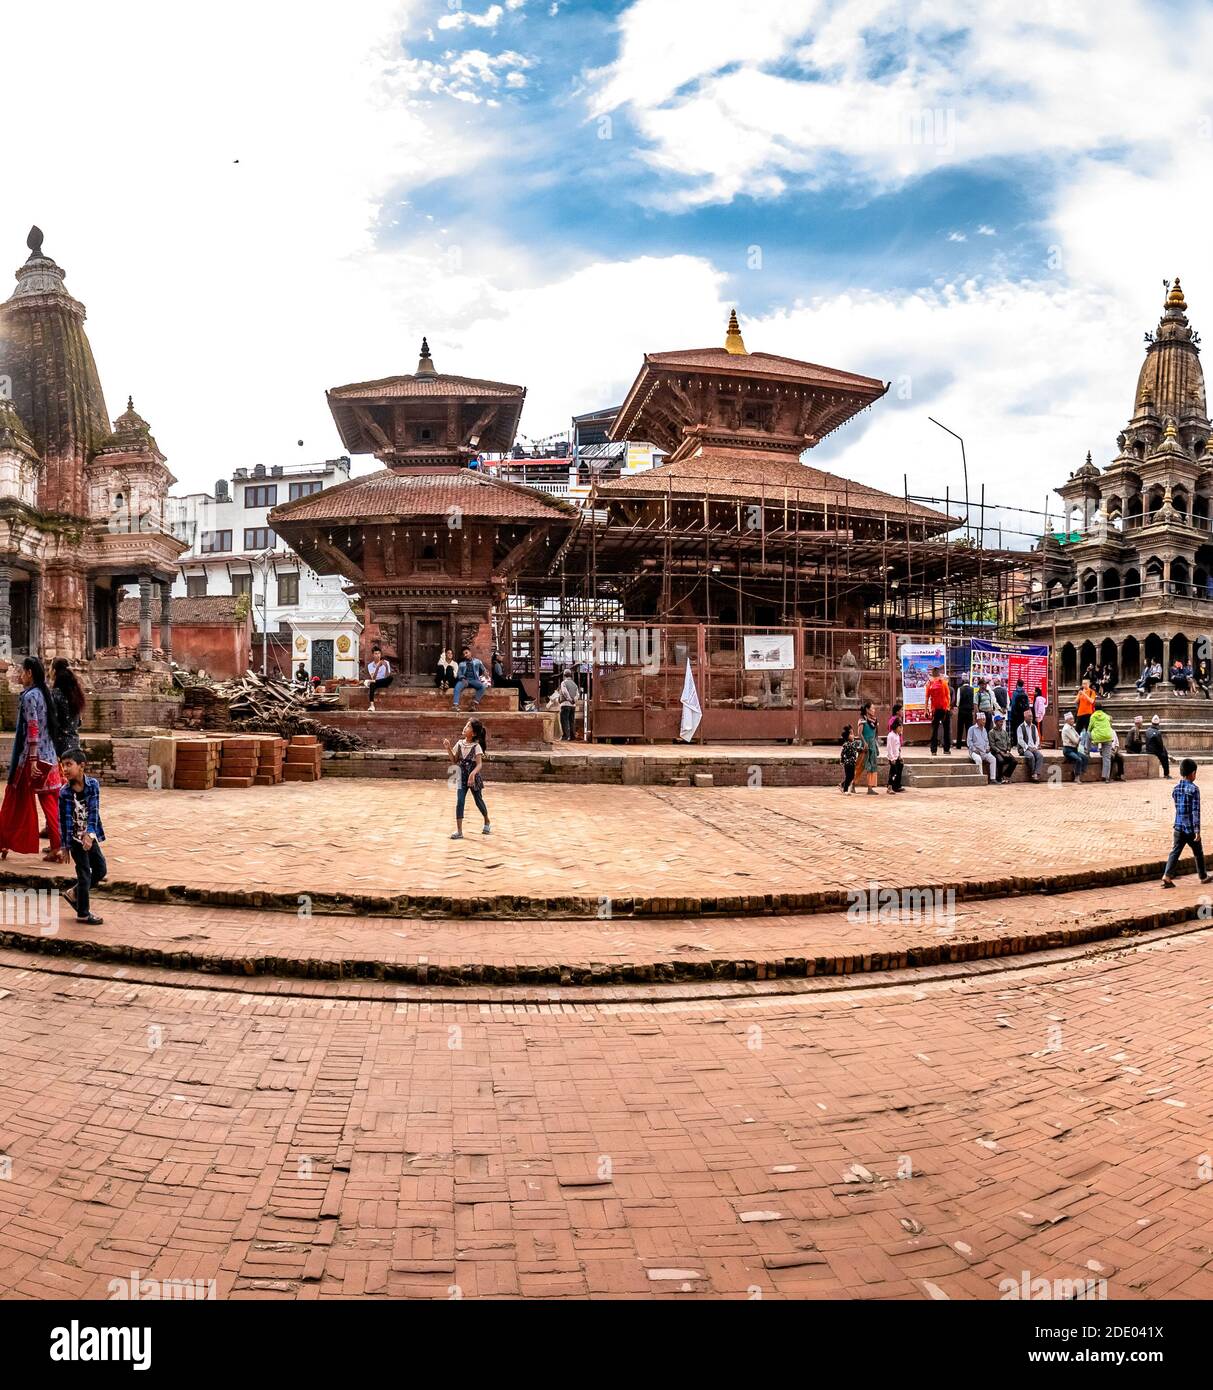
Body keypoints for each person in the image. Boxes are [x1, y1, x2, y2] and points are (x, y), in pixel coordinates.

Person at [0, 657, 63, 862]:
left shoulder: (30, 697)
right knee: (50, 802)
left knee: (14, 800)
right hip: (50, 756)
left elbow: (33, 728)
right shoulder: (46, 694)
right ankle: (56, 847)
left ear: (29, 673)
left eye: (22, 671)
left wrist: (33, 761)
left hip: (32, 759)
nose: (20, 675)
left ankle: (3, 842)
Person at [55, 747, 106, 926]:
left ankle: (74, 893)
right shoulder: (64, 793)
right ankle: (83, 914)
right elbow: (63, 821)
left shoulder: (93, 786)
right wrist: (64, 846)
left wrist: (90, 835)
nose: (65, 769)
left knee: (100, 870)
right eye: (63, 765)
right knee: (84, 874)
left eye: (69, 764)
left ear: (81, 766)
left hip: (89, 837)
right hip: (76, 841)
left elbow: (94, 812)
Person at [1161, 758, 1212, 888]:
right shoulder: (1194, 789)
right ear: (1193, 773)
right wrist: (1197, 831)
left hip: (1178, 826)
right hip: (1190, 828)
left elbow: (1178, 806)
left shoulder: (1176, 788)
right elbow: (1195, 811)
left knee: (1175, 851)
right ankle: (1203, 876)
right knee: (1198, 852)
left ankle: (1167, 875)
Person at [442, 718, 490, 839]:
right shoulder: (459, 743)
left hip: (473, 777)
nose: (465, 728)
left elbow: (479, 764)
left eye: (468, 726)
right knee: (460, 801)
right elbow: (454, 760)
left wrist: (473, 774)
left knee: (478, 801)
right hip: (461, 777)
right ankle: (459, 831)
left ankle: (486, 820)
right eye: (466, 725)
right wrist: (448, 748)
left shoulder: (476, 746)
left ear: (473, 733)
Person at [50, 657, 86, 756]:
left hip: (61, 745)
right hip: (74, 743)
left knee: (63, 771)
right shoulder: (76, 694)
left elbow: (52, 720)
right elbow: (78, 722)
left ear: (54, 671)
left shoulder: (55, 694)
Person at [966, 711, 998, 784]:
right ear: (978, 720)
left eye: (985, 719)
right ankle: (980, 777)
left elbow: (986, 741)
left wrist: (987, 748)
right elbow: (969, 742)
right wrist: (974, 749)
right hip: (974, 752)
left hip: (984, 751)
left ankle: (992, 778)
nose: (984, 721)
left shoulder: (984, 730)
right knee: (978, 759)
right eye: (983, 720)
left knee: (993, 759)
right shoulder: (971, 729)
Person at [453, 646, 488, 711]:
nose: (465, 655)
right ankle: (455, 705)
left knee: (482, 686)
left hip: (474, 680)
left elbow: (484, 669)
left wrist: (485, 673)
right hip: (465, 680)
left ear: (470, 652)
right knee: (457, 687)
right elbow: (459, 674)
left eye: (466, 653)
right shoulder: (461, 664)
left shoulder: (477, 661)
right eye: (464, 654)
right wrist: (463, 679)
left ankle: (473, 705)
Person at [925, 667, 951, 755]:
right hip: (944, 709)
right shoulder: (944, 683)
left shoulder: (930, 684)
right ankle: (946, 749)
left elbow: (927, 698)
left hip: (935, 709)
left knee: (934, 730)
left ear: (932, 674)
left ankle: (933, 750)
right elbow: (948, 696)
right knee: (946, 729)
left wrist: (926, 710)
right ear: (939, 674)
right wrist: (948, 707)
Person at [1087, 702, 1116, 781]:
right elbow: (1110, 723)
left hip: (1097, 737)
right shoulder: (1107, 716)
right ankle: (1106, 777)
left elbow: (1090, 728)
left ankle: (1087, 751)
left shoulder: (1093, 716)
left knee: (1087, 733)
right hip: (1108, 737)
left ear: (1094, 708)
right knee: (1107, 758)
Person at [988, 712, 1017, 784]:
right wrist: (1000, 752)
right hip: (996, 752)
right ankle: (999, 777)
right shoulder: (991, 732)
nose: (1001, 723)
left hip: (1005, 751)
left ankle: (1006, 775)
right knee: (1000, 761)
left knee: (1014, 761)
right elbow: (992, 745)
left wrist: (1007, 750)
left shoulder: (1004, 732)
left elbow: (1008, 742)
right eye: (1000, 722)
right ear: (995, 722)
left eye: (1002, 722)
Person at [1017, 707, 1044, 781]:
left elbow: (1037, 738)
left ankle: (1036, 773)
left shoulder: (1034, 727)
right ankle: (1033, 773)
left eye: (1032, 716)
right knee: (1031, 756)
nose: (1031, 718)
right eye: (1029, 716)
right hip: (1024, 749)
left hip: (1033, 747)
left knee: (1040, 756)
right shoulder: (1020, 727)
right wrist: (1028, 747)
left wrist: (1035, 747)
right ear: (1025, 717)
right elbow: (1020, 740)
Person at [858, 701, 880, 795]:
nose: (874, 710)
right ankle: (851, 783)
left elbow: (876, 734)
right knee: (860, 766)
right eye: (872, 708)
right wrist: (864, 743)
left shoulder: (874, 721)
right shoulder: (862, 720)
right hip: (865, 746)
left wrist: (875, 744)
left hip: (872, 745)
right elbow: (859, 733)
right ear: (867, 709)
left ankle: (870, 787)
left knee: (872, 766)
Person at [1061, 711, 1088, 782]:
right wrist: (1079, 739)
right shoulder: (1067, 729)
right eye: (1071, 719)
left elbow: (1078, 737)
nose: (1073, 720)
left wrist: (1079, 738)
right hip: (1068, 750)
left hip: (1074, 749)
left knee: (1085, 757)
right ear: (1067, 720)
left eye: (1073, 719)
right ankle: (1077, 776)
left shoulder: (1071, 728)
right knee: (1078, 759)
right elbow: (1076, 740)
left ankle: (1078, 772)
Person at [364, 645, 392, 711]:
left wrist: (386, 667)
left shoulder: (386, 663)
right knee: (372, 684)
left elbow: (387, 676)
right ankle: (372, 706)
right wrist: (378, 667)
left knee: (391, 678)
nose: (378, 655)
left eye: (379, 653)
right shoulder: (370, 665)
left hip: (384, 682)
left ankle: (369, 681)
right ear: (373, 655)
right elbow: (373, 677)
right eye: (376, 654)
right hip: (376, 682)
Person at [555, 667, 580, 741]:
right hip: (573, 705)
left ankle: (565, 736)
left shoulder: (563, 683)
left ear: (564, 675)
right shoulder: (575, 685)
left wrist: (569, 699)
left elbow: (565, 692)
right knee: (571, 721)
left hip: (565, 704)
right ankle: (572, 736)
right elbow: (577, 694)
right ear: (571, 675)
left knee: (564, 720)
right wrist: (574, 701)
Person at [839, 723, 864, 794]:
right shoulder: (846, 744)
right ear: (847, 736)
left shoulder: (854, 743)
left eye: (853, 733)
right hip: (847, 763)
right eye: (851, 734)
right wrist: (842, 760)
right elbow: (842, 753)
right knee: (848, 776)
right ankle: (845, 790)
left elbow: (858, 749)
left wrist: (863, 749)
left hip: (853, 762)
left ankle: (843, 785)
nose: (853, 735)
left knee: (852, 776)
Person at [885, 716, 905, 793]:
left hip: (897, 757)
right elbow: (889, 748)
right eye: (900, 728)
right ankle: (889, 787)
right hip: (892, 758)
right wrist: (892, 758)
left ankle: (896, 786)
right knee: (893, 773)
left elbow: (898, 747)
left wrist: (899, 756)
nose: (901, 730)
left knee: (898, 772)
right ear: (896, 727)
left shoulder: (897, 735)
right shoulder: (891, 736)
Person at [956, 676, 975, 746]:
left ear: (963, 682)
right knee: (969, 728)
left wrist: (958, 706)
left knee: (960, 728)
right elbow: (973, 700)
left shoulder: (960, 689)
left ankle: (958, 744)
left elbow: (958, 700)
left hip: (961, 710)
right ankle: (969, 744)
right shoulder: (972, 689)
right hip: (969, 711)